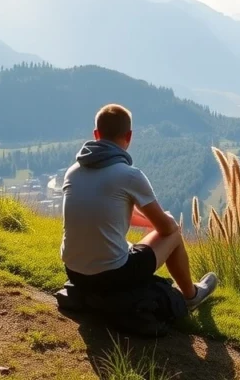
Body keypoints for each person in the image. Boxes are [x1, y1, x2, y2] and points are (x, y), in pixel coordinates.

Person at [60, 104, 217, 309]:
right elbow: (166, 229)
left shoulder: (73, 171)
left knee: (151, 232)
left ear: (96, 134)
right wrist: (164, 220)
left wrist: (149, 223)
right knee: (174, 233)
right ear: (129, 136)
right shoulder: (129, 175)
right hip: (112, 276)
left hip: (74, 272)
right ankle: (191, 295)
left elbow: (110, 211)